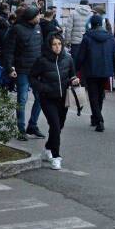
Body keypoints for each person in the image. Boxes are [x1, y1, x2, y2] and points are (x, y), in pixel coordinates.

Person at [31, 33, 79, 170]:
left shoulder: (68, 59)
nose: (57, 47)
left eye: (59, 44)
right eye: (54, 44)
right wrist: (43, 88)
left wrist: (74, 80)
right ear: (49, 46)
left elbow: (72, 75)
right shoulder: (42, 60)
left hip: (63, 98)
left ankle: (48, 147)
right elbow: (32, 77)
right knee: (55, 125)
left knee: (59, 126)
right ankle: (56, 157)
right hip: (47, 98)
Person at [1, 6, 45, 140]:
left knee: (41, 98)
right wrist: (10, 68)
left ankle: (32, 125)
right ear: (31, 17)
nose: (39, 17)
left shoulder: (38, 28)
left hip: (37, 70)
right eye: (37, 15)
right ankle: (21, 128)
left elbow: (41, 47)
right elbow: (8, 50)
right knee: (22, 99)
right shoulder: (16, 29)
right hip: (22, 70)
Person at [75, 14, 115, 132]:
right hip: (105, 70)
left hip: (91, 70)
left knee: (93, 96)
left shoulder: (87, 37)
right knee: (100, 95)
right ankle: (96, 118)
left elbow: (81, 57)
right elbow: (114, 55)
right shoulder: (110, 37)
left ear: (91, 24)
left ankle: (99, 119)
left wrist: (75, 70)